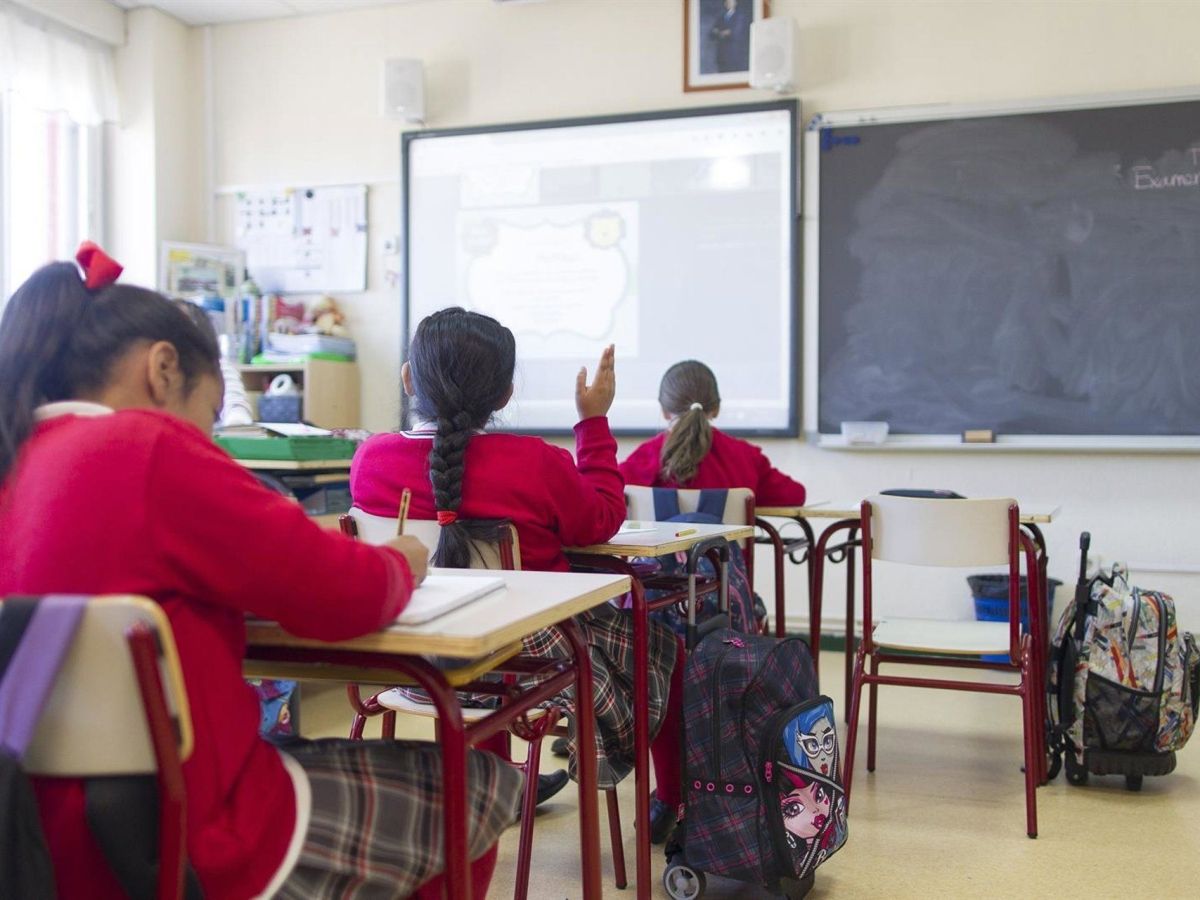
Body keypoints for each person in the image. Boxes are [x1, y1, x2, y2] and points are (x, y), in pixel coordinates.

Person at [0, 245, 521, 899]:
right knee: (478, 784)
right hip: (196, 831)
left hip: (40, 840)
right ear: (162, 369)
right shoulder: (147, 447)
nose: (209, 436)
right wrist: (401, 561)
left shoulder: (18, 457)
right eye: (211, 414)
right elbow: (345, 593)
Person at [350, 307, 684, 841]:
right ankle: (674, 801)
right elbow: (601, 519)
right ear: (506, 394)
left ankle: (495, 783)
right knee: (666, 648)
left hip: (416, 654)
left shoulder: (370, 460)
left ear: (409, 378)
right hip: (531, 661)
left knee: (485, 626)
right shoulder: (534, 462)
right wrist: (592, 422)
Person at [620, 359, 807, 505]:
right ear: (716, 408)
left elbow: (610, 496)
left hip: (661, 547)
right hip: (730, 546)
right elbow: (795, 494)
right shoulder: (746, 456)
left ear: (664, 411)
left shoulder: (646, 457)